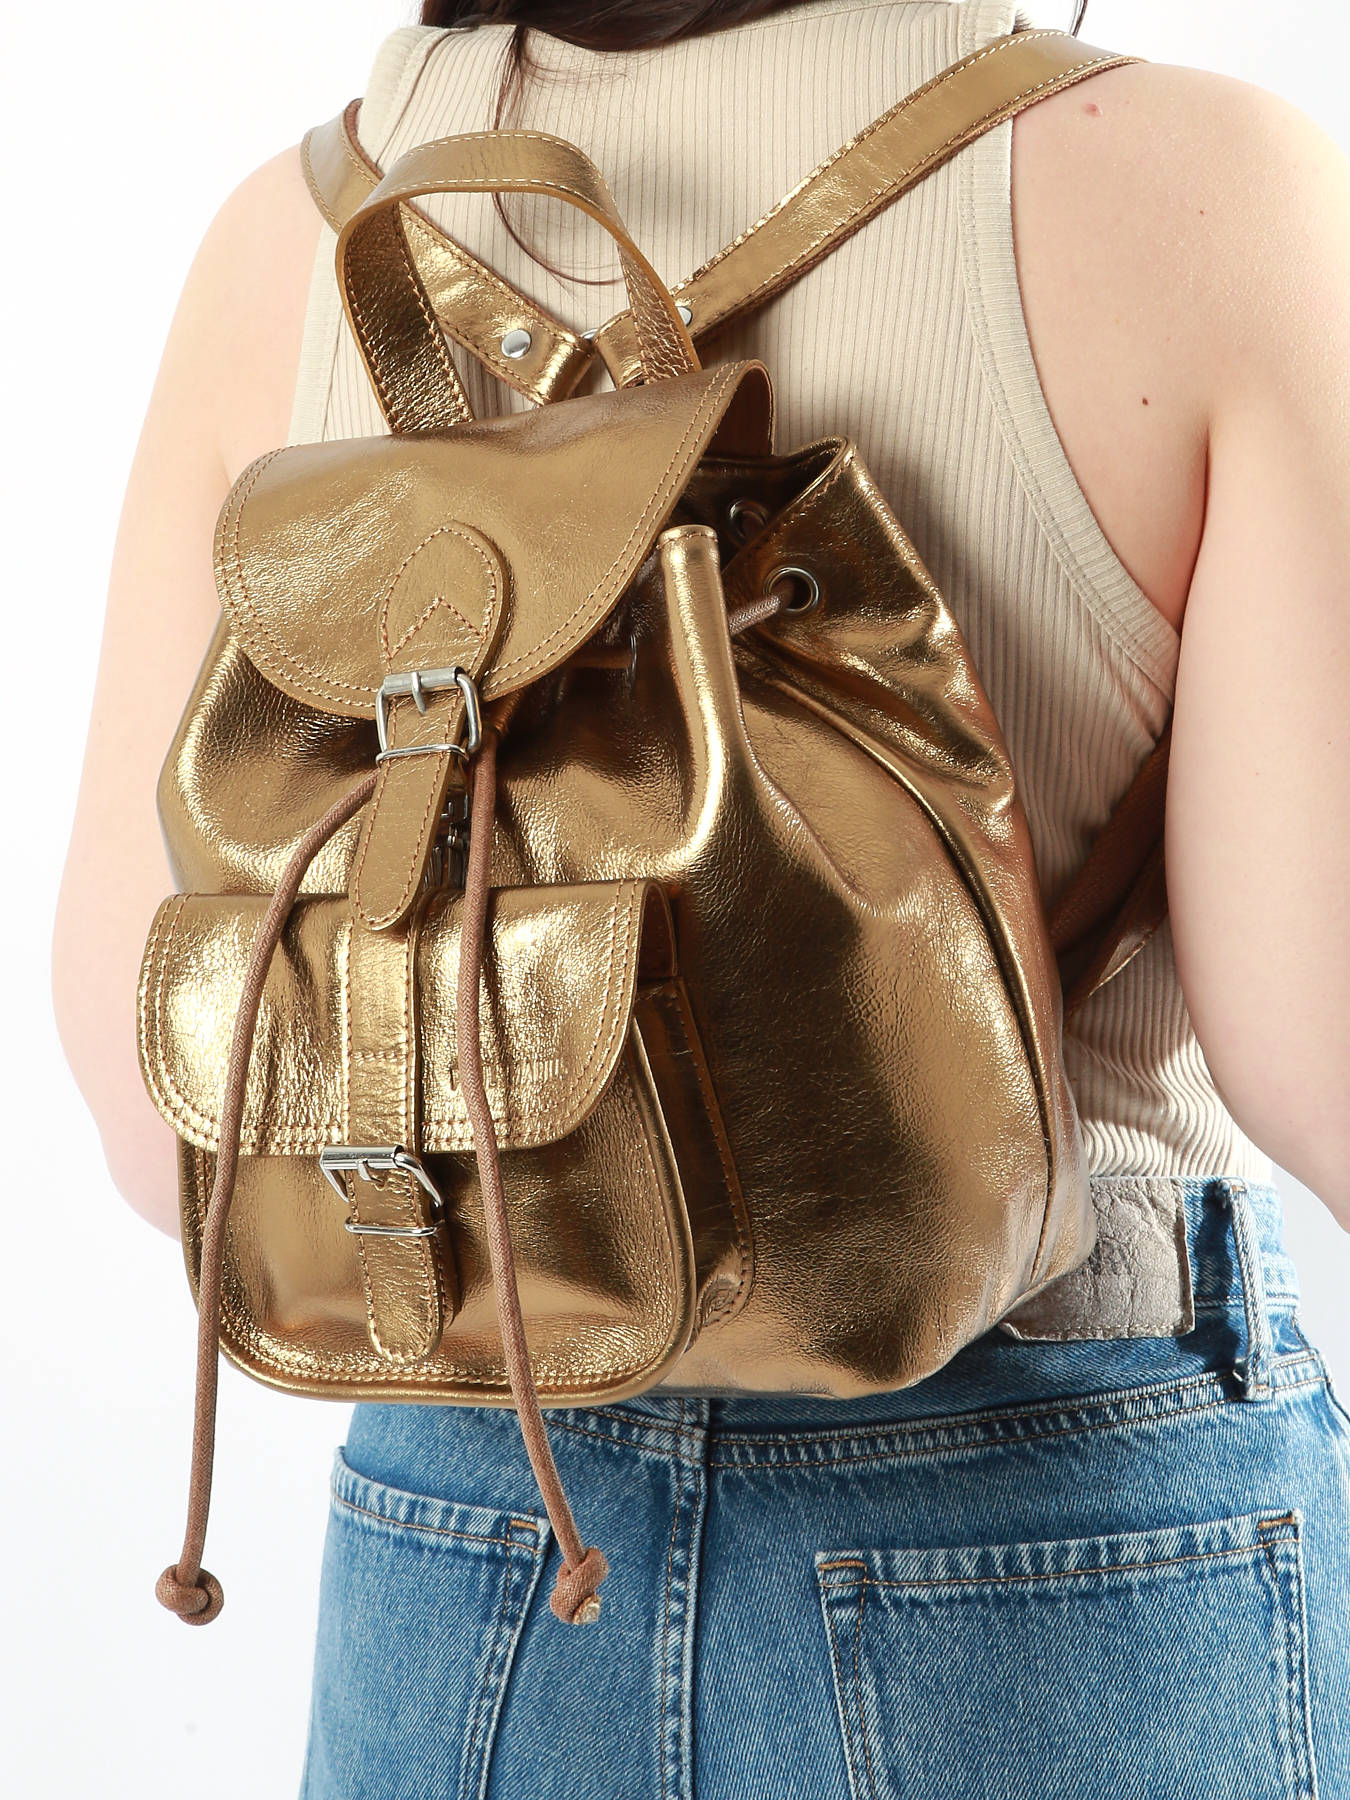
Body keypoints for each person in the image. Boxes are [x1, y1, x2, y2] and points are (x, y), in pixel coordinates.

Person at [52, 0, 1350, 1793]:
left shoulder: (295, 237)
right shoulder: (1199, 193)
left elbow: (159, 1124)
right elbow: (1320, 1053)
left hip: (479, 1510)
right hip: (1054, 1523)